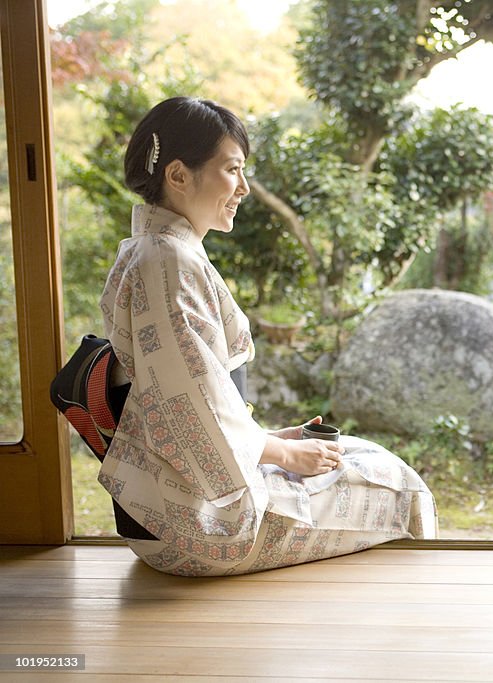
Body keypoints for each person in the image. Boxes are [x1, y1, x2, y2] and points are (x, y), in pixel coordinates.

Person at [98, 97, 437, 576]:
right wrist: (282, 453)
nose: (244, 188)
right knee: (400, 486)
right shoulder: (170, 262)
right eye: (232, 169)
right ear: (177, 175)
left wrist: (272, 440)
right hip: (198, 523)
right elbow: (188, 404)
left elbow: (186, 401)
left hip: (162, 505)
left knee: (359, 454)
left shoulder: (149, 251)